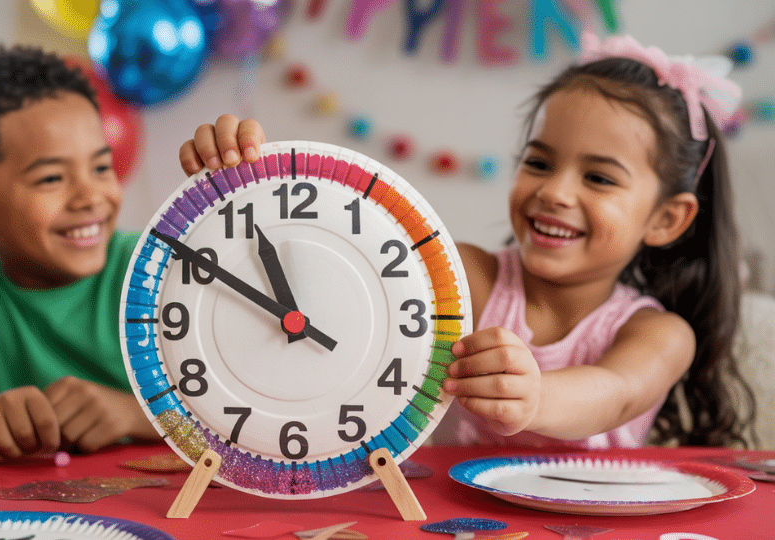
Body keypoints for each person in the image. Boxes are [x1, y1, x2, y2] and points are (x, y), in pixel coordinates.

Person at [181, 34, 756, 448]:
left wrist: (535, 399)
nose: (554, 191)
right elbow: (339, 272)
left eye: (599, 178)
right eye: (539, 161)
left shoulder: (658, 332)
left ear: (667, 219)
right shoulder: (469, 278)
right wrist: (245, 184)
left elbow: (616, 391)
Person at [0, 45, 161, 462]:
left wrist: (134, 413)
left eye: (101, 167)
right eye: (52, 178)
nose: (90, 197)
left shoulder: (154, 265)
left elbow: (230, 402)